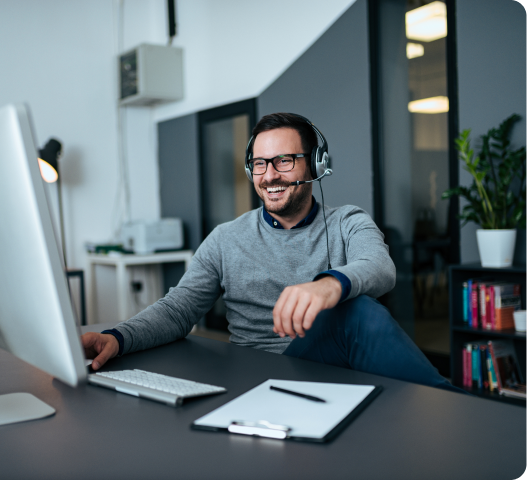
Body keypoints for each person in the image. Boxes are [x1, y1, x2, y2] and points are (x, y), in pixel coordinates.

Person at [82, 112, 459, 393]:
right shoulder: (226, 238)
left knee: (355, 310)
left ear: (314, 165)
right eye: (259, 164)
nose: (269, 175)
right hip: (258, 375)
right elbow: (179, 309)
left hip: (331, 366)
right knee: (355, 311)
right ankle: (453, 404)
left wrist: (329, 286)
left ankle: (448, 407)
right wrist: (118, 337)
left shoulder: (348, 221)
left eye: (283, 161)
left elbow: (380, 267)